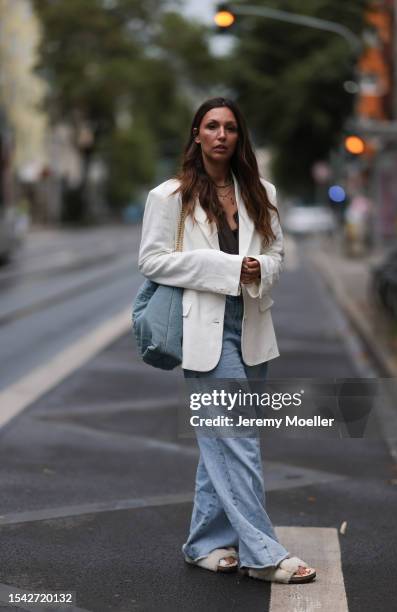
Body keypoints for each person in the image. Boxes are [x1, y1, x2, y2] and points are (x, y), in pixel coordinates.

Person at [138, 97, 316, 584]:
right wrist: (230, 267)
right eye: (211, 126)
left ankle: (204, 544)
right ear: (196, 134)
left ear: (240, 137)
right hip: (203, 330)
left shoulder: (261, 191)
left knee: (221, 443)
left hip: (252, 327)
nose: (221, 134)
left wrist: (261, 268)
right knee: (238, 441)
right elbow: (152, 261)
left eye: (230, 127)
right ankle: (264, 555)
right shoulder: (170, 195)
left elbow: (277, 252)